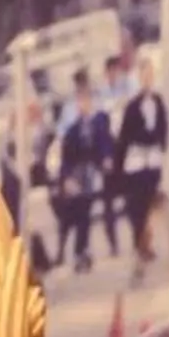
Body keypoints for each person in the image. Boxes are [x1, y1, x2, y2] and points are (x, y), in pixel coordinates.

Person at [116, 53, 169, 282]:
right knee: (136, 206)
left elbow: (163, 127)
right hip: (136, 162)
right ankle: (139, 245)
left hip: (153, 161)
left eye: (150, 74)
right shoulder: (132, 106)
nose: (147, 78)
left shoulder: (158, 101)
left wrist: (160, 144)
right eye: (143, 74)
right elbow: (125, 137)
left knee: (151, 205)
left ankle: (145, 244)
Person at [56, 70, 110, 274]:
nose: (84, 104)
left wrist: (105, 159)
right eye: (81, 100)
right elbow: (66, 158)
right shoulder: (72, 131)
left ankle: (83, 250)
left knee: (86, 214)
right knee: (76, 215)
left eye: (87, 100)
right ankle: (76, 251)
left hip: (90, 174)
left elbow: (104, 145)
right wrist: (66, 179)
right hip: (77, 174)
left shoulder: (98, 124)